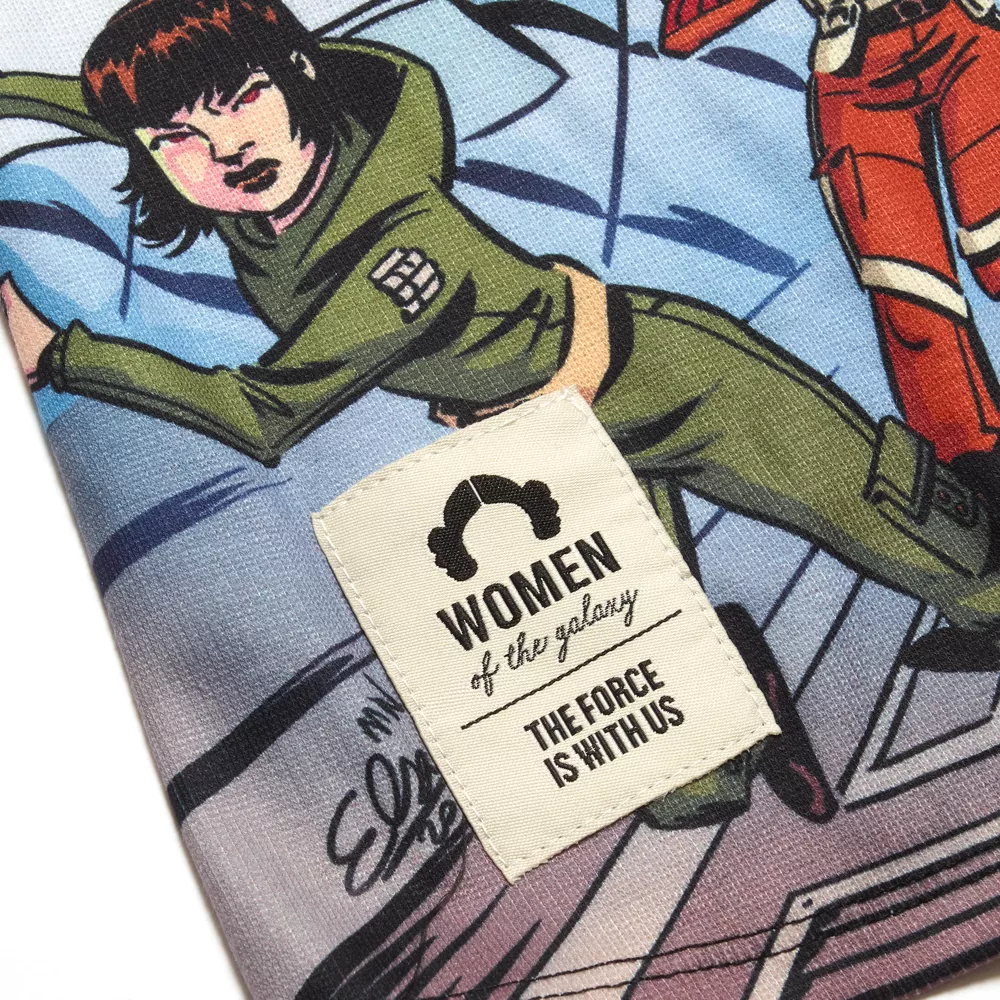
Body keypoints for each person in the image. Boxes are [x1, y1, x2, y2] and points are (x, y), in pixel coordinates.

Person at [1, 0, 999, 830]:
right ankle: (735, 699)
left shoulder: (394, 244)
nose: (223, 147)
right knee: (681, 774)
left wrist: (67, 356)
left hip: (660, 376)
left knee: (907, 528)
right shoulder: (265, 164)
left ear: (297, 73)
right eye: (176, 137)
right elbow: (113, 110)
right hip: (541, 444)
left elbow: (262, 412)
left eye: (242, 100)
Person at [660, 0, 1000, 501]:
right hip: (857, 73)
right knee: (910, 295)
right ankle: (977, 474)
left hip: (964, 32)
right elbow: (681, 30)